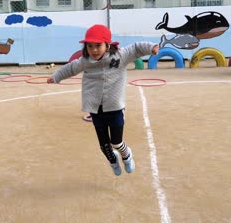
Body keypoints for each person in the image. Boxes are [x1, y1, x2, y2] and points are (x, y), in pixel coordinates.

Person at [47, 24, 159, 176]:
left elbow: (136, 48)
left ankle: (126, 155)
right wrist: (56, 76)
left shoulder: (120, 55)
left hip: (115, 107)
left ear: (107, 45)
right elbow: (70, 68)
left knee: (116, 142)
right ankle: (113, 162)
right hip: (95, 109)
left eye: (98, 45)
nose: (93, 50)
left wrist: (151, 47)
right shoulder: (85, 61)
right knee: (104, 145)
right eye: (90, 46)